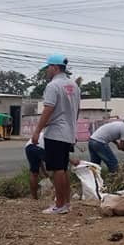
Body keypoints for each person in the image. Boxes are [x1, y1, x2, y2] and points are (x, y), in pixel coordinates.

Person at [30, 53, 80, 215]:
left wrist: (37, 131)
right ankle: (66, 203)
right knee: (63, 168)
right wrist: (73, 129)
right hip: (68, 133)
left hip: (56, 133)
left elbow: (48, 109)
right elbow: (76, 111)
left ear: (56, 67)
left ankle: (59, 205)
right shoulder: (74, 86)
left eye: (49, 67)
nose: (47, 70)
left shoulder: (53, 86)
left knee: (57, 169)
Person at [25, 130, 47, 200]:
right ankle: (58, 196)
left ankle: (34, 197)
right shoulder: (60, 139)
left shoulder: (45, 133)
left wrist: (44, 172)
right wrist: (71, 161)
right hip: (39, 148)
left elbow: (39, 159)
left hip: (29, 147)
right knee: (58, 169)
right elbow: (61, 155)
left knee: (34, 173)